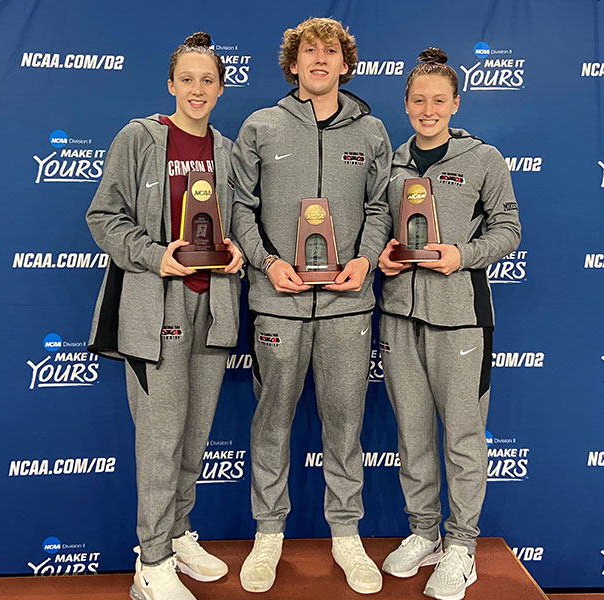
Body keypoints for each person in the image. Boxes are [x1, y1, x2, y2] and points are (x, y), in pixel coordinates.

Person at [231, 17, 392, 596]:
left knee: (345, 422)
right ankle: (268, 533)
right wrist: (268, 263)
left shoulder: (371, 130)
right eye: (308, 51)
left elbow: (380, 209)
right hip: (278, 303)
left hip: (349, 305)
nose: (319, 60)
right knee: (271, 420)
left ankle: (346, 534)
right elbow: (238, 211)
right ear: (292, 64)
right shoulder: (260, 127)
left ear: (345, 64)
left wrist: (365, 260)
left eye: (330, 52)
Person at [86, 32, 243, 600]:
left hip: (214, 306)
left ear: (221, 89)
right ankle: (150, 564)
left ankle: (177, 534)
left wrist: (239, 252)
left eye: (208, 81)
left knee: (193, 436)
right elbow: (103, 217)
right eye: (188, 80)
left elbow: (237, 222)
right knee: (160, 440)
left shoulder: (227, 151)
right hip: (156, 308)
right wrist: (158, 256)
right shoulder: (140, 138)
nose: (197, 90)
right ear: (170, 84)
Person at [377, 48, 521, 600]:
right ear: (407, 104)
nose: (428, 109)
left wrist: (461, 254)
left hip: (461, 318)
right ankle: (424, 533)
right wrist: (385, 258)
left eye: (439, 99)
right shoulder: (390, 162)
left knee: (462, 437)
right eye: (419, 100)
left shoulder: (483, 158)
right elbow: (379, 231)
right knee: (412, 434)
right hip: (398, 315)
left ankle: (461, 547)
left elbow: (509, 229)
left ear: (455, 103)